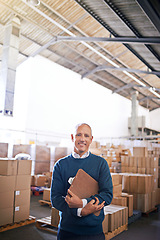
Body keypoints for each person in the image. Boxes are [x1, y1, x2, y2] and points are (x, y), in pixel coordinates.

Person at [51, 123, 113, 240]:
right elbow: (56, 199)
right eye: (78, 135)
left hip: (93, 232)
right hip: (67, 231)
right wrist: (80, 211)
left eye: (86, 135)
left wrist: (82, 203)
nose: (82, 139)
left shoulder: (101, 164)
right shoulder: (60, 165)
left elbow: (107, 195)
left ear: (91, 139)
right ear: (72, 137)